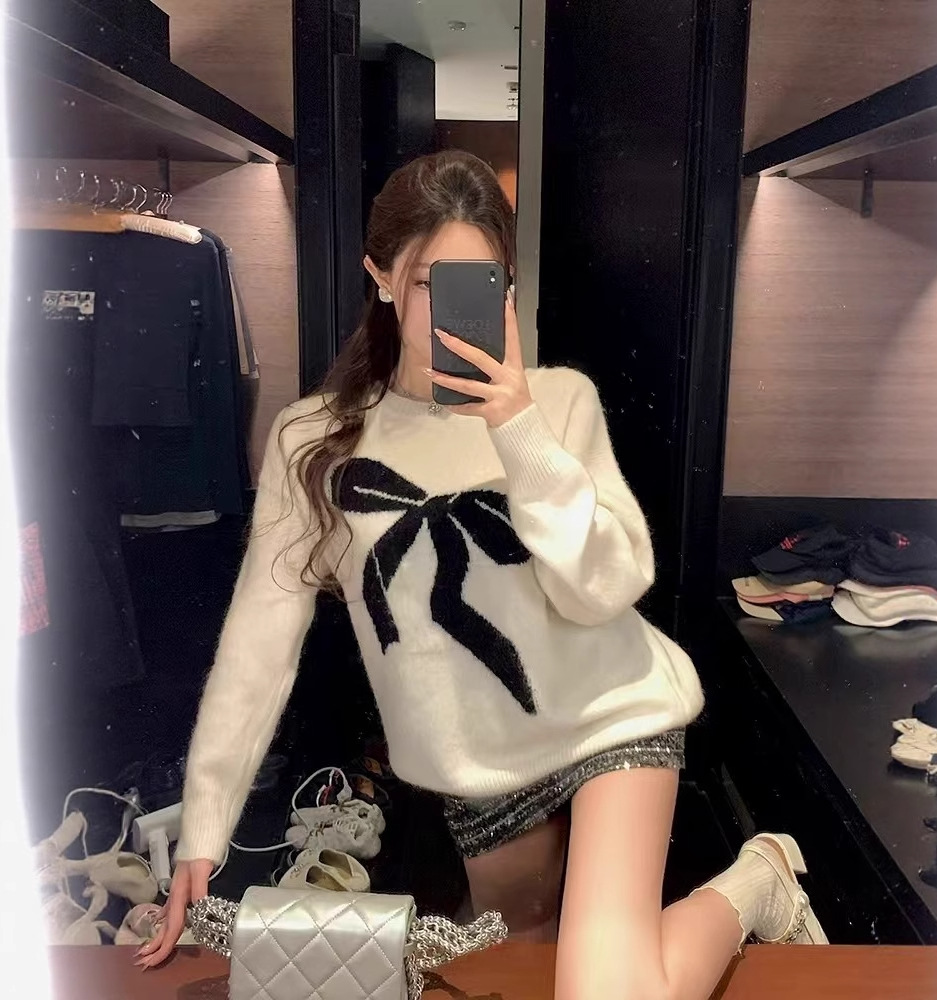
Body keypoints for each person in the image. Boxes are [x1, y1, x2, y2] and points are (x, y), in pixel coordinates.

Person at [136, 151, 826, 998]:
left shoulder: (558, 402)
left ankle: (758, 881)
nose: (453, 306)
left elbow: (603, 590)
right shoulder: (312, 440)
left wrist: (518, 428)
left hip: (610, 714)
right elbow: (259, 643)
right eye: (431, 281)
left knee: (607, 993)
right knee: (521, 967)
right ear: (381, 276)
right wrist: (205, 829)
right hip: (474, 763)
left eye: (482, 280)